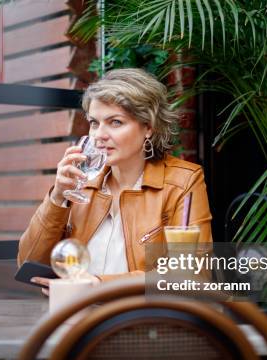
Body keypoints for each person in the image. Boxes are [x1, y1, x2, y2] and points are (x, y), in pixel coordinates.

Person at [18, 68, 212, 294]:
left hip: (142, 321)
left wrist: (99, 285)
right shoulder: (81, 184)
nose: (99, 135)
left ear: (148, 127)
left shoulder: (183, 181)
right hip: (75, 316)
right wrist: (57, 197)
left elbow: (190, 275)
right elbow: (29, 265)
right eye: (94, 123)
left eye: (115, 122)